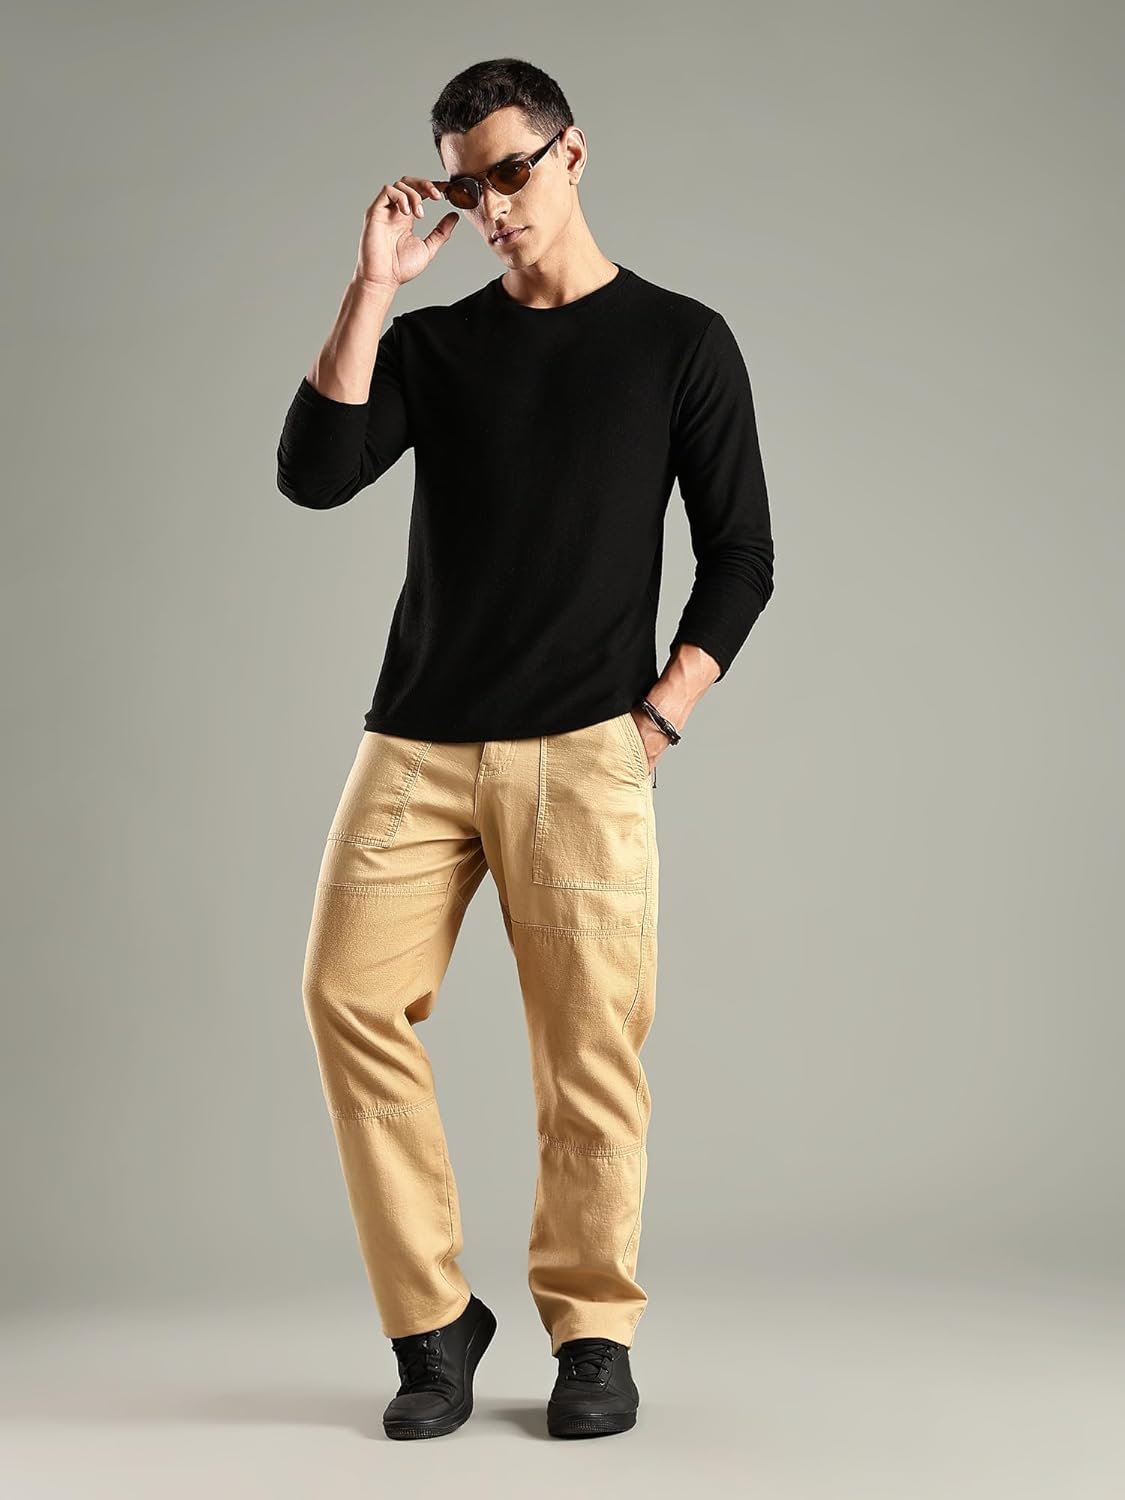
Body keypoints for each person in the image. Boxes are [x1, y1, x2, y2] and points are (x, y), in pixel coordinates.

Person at [276, 56, 774, 1442]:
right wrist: (374, 287)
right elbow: (313, 474)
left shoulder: (679, 340)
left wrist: (661, 712)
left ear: (572, 153)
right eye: (464, 187)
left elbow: (740, 553)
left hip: (585, 748)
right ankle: (432, 1324)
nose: (491, 206)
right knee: (346, 999)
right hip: (416, 744)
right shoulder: (438, 347)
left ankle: (593, 1331)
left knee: (589, 1053)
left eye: (510, 171)